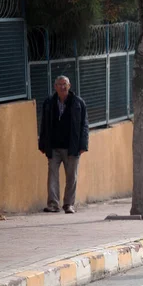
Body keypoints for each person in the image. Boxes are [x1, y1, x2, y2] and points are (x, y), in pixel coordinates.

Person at [38, 75, 88, 214]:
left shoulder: (78, 102)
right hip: (53, 146)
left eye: (65, 84)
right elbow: (44, 124)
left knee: (71, 176)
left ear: (69, 86)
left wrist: (83, 145)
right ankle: (53, 204)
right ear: (55, 87)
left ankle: (68, 204)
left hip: (72, 147)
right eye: (59, 84)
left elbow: (84, 125)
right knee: (52, 175)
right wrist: (42, 144)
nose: (62, 87)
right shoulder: (49, 102)